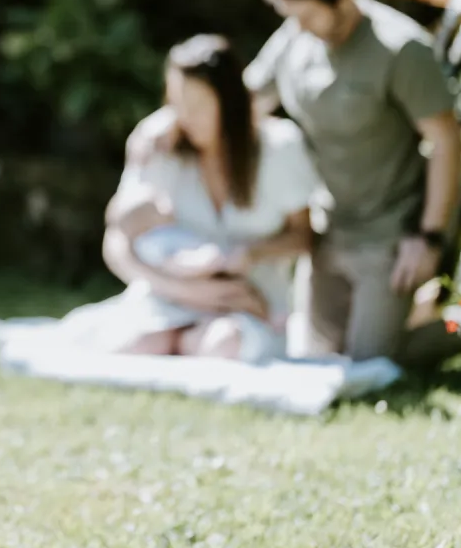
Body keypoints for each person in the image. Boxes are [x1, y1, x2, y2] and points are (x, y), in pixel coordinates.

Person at [132, 0, 461, 362]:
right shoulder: (295, 35)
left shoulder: (401, 49)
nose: (298, 27)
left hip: (391, 231)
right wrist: (167, 122)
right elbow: (240, 104)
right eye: (289, 16)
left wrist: (429, 237)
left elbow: (445, 142)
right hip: (330, 232)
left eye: (305, 16)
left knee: (371, 362)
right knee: (316, 357)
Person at [59, 34, 320, 362]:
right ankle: (174, 338)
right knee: (137, 347)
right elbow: (118, 236)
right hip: (168, 295)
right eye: (176, 102)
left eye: (197, 105)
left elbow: (304, 237)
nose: (184, 117)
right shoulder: (158, 142)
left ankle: (189, 341)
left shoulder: (280, 147)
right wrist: (186, 290)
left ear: (229, 103)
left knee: (222, 345)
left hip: (248, 304)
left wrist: (248, 254)